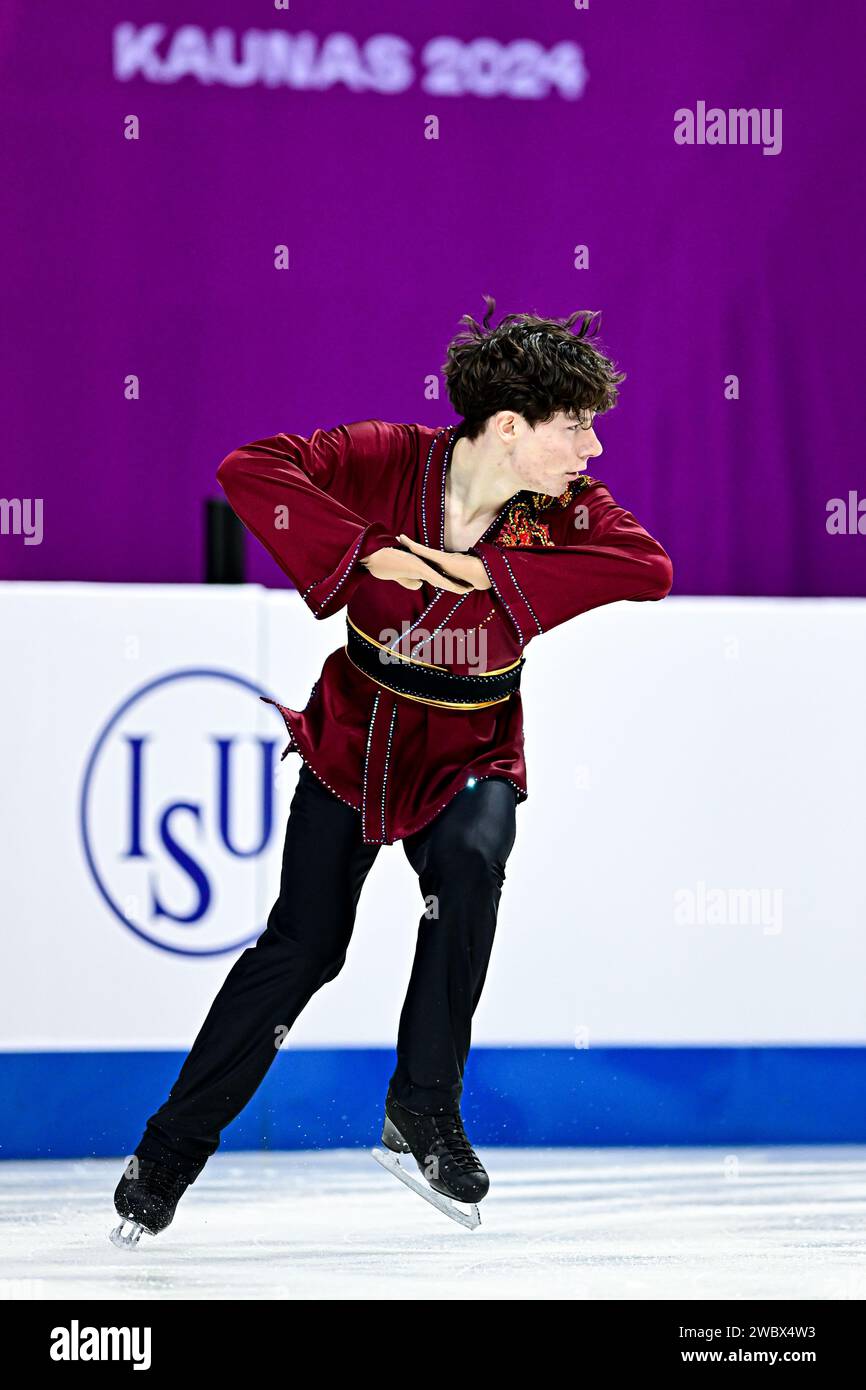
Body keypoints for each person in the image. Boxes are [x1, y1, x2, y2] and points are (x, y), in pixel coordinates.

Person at [111, 299, 673, 1242]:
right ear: (508, 426)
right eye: (575, 426)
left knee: (471, 868)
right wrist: (367, 549)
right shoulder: (386, 456)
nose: (592, 450)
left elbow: (646, 567)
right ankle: (166, 1152)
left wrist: (493, 577)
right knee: (304, 947)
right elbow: (250, 469)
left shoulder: (568, 511)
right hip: (356, 735)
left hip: (473, 741)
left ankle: (422, 1106)